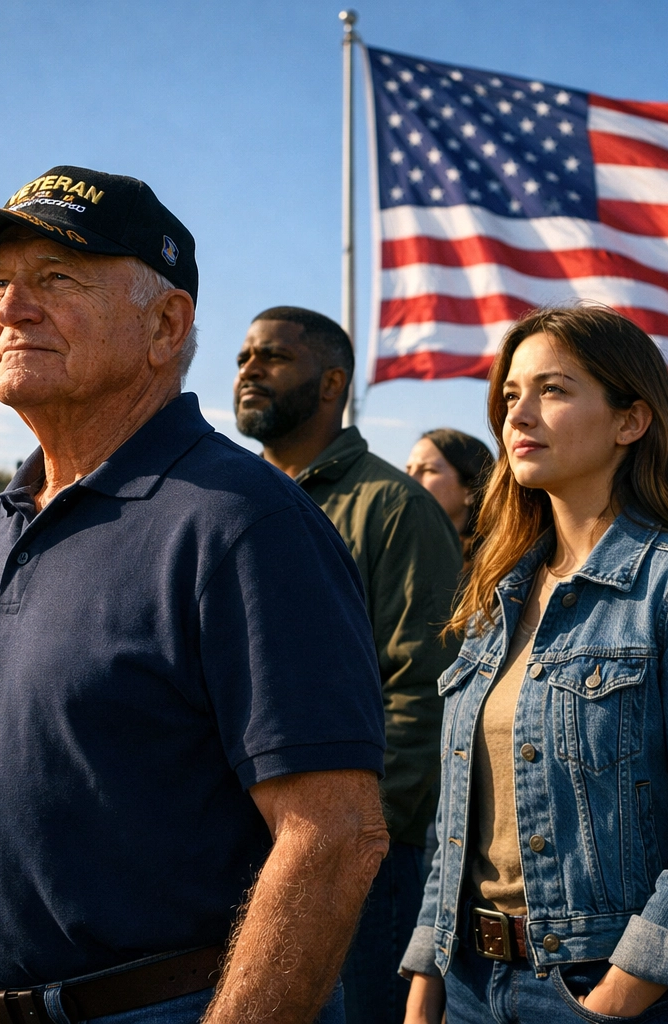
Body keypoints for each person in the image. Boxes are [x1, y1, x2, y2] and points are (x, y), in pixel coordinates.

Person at [0, 166, 387, 1024]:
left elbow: (335, 837)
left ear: (165, 324)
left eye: (56, 278)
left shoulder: (243, 521)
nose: (11, 308)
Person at [399, 305, 668, 1024]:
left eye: (554, 390)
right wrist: (426, 980)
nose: (519, 414)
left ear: (631, 421)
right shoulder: (497, 595)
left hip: (607, 988)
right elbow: (459, 822)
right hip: (472, 986)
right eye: (510, 395)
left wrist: (613, 1002)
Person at [233, 307, 464, 1024]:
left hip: (351, 860)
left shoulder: (395, 508)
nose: (248, 369)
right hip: (233, 854)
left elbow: (422, 690)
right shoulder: (221, 498)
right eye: (243, 356)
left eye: (272, 357)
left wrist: (359, 840)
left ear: (332, 382)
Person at [406, 428, 494, 574]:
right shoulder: (397, 550)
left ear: (471, 489)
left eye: (428, 470)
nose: (410, 479)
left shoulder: (497, 567)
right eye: (408, 469)